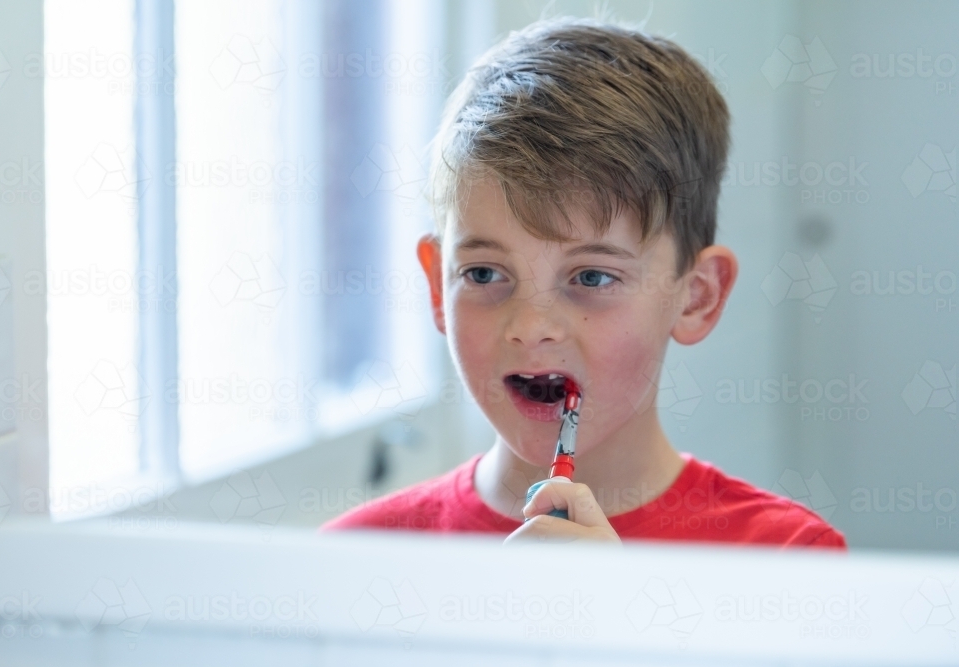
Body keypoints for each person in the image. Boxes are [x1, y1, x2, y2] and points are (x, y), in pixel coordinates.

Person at [322, 17, 846, 549]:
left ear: (697, 297)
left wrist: (609, 616)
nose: (530, 327)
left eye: (592, 276)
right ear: (438, 284)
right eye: (483, 273)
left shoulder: (790, 560)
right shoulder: (354, 556)